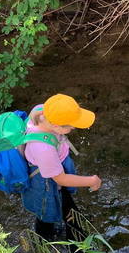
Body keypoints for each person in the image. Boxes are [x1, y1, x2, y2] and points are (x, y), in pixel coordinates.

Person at [22, 94, 102, 243]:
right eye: (71, 126)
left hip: (53, 171)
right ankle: (47, 245)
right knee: (47, 213)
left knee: (62, 209)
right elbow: (61, 178)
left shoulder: (41, 111)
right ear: (56, 127)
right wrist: (92, 180)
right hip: (47, 183)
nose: (73, 127)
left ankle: (53, 237)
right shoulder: (43, 148)